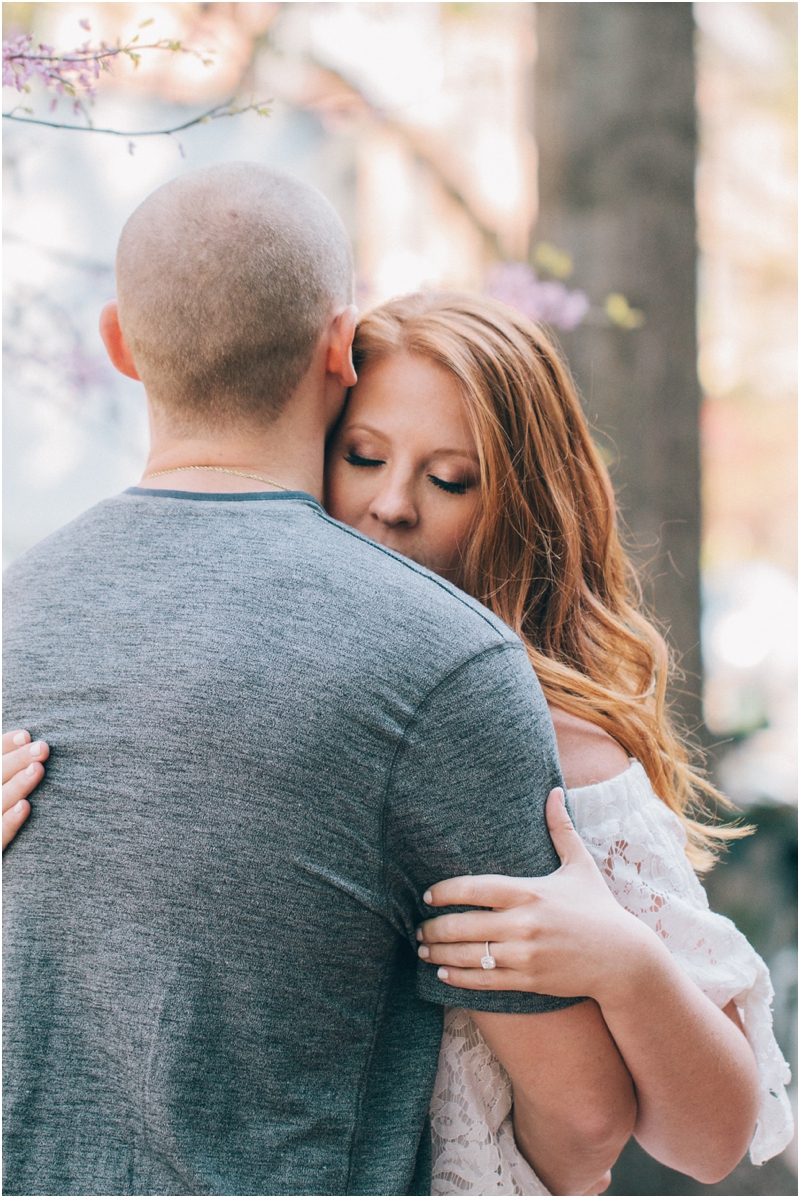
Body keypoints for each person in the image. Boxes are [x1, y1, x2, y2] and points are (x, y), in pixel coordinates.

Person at [6, 283, 793, 1193]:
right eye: (363, 455)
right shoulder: (248, 691)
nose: (391, 504)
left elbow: (703, 1141)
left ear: (524, 509)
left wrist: (625, 963)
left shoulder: (571, 759)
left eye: (447, 478)